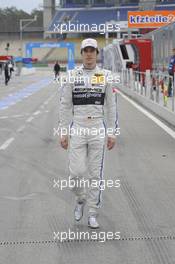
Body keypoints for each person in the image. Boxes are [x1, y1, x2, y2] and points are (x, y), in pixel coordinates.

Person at [59, 38, 118, 229]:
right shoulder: (72, 75)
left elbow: (111, 106)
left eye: (93, 50)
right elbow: (65, 105)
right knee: (75, 173)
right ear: (82, 53)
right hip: (78, 127)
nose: (89, 54)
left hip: (97, 129)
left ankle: (93, 212)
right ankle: (80, 198)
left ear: (97, 54)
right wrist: (63, 132)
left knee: (95, 175)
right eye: (86, 51)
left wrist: (112, 133)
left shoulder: (105, 75)